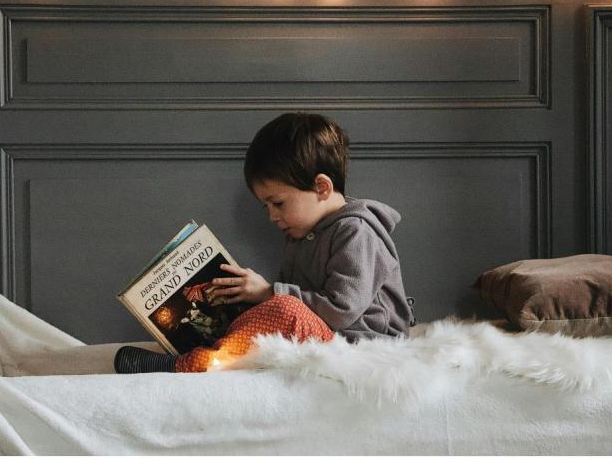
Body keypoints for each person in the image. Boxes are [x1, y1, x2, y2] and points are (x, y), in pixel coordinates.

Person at [114, 112, 416, 374]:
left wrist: (270, 293)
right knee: (255, 307)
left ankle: (188, 365)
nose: (272, 216)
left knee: (284, 309)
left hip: (360, 348)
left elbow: (340, 310)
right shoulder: (301, 233)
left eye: (278, 203)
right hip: (325, 337)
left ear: (321, 187)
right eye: (266, 207)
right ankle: (208, 348)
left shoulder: (357, 231)